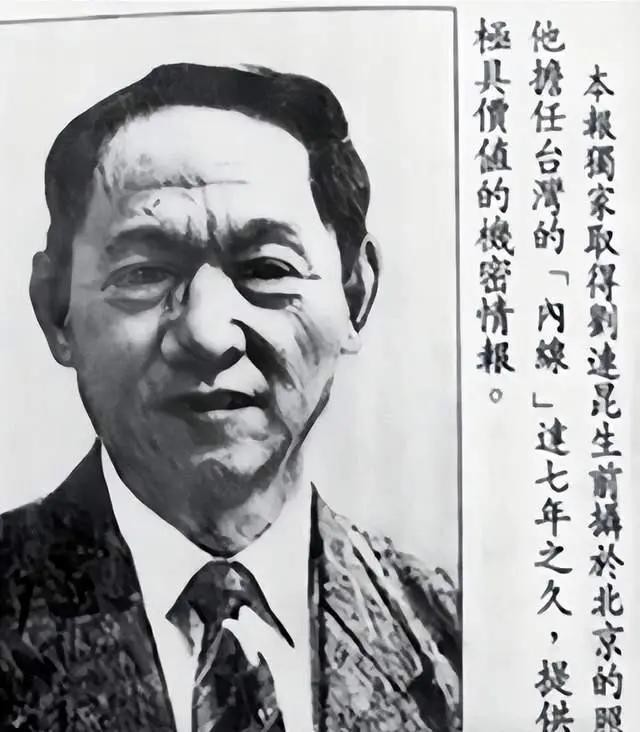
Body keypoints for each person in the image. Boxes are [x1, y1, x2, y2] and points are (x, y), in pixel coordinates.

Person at [0, 63, 460, 732]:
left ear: (354, 295)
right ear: (55, 310)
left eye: (267, 269)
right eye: (144, 272)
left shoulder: (454, 634)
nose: (209, 334)